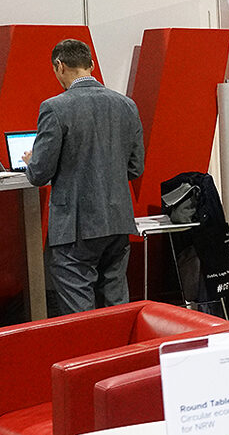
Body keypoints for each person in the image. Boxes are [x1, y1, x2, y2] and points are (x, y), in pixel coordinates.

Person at [25, 38, 145, 313]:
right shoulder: (126, 105)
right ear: (91, 65)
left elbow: (39, 174)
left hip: (75, 227)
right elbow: (135, 168)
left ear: (60, 66)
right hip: (118, 221)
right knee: (116, 306)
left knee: (80, 312)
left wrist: (31, 162)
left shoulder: (54, 107)